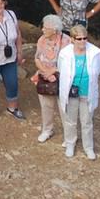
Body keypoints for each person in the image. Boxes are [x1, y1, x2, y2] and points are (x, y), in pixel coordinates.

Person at [55, 23, 100, 159]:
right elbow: (61, 69)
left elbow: (98, 70)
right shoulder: (64, 53)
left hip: (87, 91)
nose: (82, 41)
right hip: (71, 91)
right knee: (70, 120)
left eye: (84, 38)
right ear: (72, 39)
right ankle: (70, 143)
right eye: (79, 39)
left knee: (87, 121)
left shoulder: (95, 52)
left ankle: (88, 147)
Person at [32, 15, 64, 143]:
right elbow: (37, 58)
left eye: (45, 28)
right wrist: (46, 72)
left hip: (61, 77)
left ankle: (69, 135)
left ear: (54, 30)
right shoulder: (42, 40)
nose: (43, 30)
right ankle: (47, 130)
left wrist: (53, 71)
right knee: (46, 106)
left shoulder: (66, 41)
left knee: (64, 108)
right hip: (44, 77)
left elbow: (68, 62)